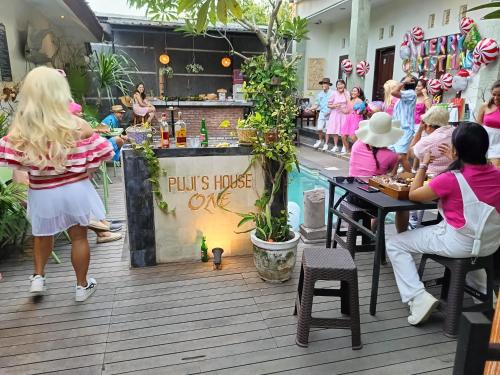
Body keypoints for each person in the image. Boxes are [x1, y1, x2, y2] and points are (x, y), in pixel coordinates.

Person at [0, 66, 115, 301]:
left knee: (42, 234)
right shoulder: (77, 125)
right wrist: (82, 168)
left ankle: (38, 278)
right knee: (79, 237)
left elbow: (13, 159)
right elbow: (104, 152)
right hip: (75, 189)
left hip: (42, 192)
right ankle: (82, 287)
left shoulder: (23, 129)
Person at [386, 122, 500, 326]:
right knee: (472, 253)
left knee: (395, 243)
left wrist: (423, 164)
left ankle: (417, 297)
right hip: (489, 244)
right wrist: (457, 160)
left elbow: (414, 193)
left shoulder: (450, 179)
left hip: (458, 243)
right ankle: (487, 301)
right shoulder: (497, 174)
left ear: (456, 149)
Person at [349, 111, 409, 233]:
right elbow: (394, 176)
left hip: (352, 193)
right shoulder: (390, 156)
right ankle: (400, 236)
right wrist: (400, 161)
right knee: (403, 205)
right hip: (371, 198)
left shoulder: (357, 145)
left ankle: (370, 231)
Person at [412, 106, 454, 176]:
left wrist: (419, 130)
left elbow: (411, 153)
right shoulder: (455, 132)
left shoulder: (429, 140)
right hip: (452, 176)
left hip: (431, 178)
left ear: (428, 125)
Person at [390, 76, 418, 172]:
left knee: (400, 156)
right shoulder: (404, 95)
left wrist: (403, 82)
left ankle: (411, 177)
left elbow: (393, 92)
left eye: (404, 81)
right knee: (394, 155)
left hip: (405, 129)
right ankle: (392, 174)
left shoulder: (411, 94)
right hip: (397, 129)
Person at [477, 80, 500, 168]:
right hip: (484, 140)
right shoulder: (485, 106)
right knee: (481, 167)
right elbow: (477, 126)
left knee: (496, 168)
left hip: (498, 143)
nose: (496, 98)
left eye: (499, 95)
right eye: (494, 94)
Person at [325, 79, 350, 153]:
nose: (340, 86)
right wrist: (334, 105)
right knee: (334, 129)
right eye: (338, 84)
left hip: (344, 113)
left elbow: (349, 103)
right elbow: (328, 105)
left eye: (341, 84)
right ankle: (335, 146)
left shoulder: (347, 93)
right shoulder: (334, 93)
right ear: (336, 86)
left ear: (344, 85)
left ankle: (344, 146)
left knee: (344, 130)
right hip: (335, 113)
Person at [341, 87, 366, 154]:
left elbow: (362, 111)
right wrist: (340, 107)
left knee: (353, 137)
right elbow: (347, 111)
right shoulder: (350, 100)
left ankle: (358, 151)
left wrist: (360, 111)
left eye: (355, 91)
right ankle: (347, 150)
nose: (353, 92)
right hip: (348, 119)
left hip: (356, 119)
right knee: (343, 135)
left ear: (358, 93)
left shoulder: (359, 101)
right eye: (352, 91)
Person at [311, 78, 333, 149]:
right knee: (319, 128)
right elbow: (316, 105)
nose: (324, 85)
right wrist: (310, 108)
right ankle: (320, 140)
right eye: (323, 83)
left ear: (328, 85)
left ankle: (326, 144)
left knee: (327, 130)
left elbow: (335, 103)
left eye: (325, 83)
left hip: (330, 114)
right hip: (322, 113)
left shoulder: (333, 93)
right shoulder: (320, 94)